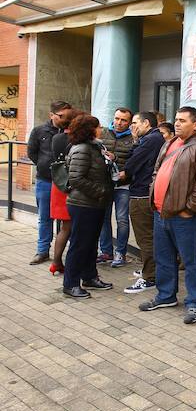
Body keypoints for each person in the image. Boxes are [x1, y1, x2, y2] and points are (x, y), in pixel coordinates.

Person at [139, 106, 196, 324]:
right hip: (161, 213)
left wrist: (188, 210)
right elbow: (156, 171)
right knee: (163, 258)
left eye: (183, 120)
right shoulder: (169, 143)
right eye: (176, 120)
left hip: (184, 218)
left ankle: (194, 302)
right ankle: (166, 296)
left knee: (190, 261)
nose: (177, 123)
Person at [62, 114, 114, 298]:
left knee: (91, 243)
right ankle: (70, 284)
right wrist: (100, 190)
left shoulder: (95, 146)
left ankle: (89, 277)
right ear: (89, 129)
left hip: (95, 203)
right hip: (83, 204)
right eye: (98, 126)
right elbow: (76, 179)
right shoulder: (82, 149)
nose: (101, 129)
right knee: (79, 244)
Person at [123, 111, 166, 294]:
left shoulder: (151, 140)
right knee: (149, 237)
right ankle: (151, 271)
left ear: (146, 123)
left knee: (145, 238)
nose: (132, 126)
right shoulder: (154, 139)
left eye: (135, 123)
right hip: (145, 192)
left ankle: (150, 277)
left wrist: (134, 141)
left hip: (142, 194)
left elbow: (131, 164)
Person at [28, 101, 74, 265]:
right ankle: (42, 251)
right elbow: (32, 152)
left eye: (67, 116)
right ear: (51, 115)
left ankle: (63, 252)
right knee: (45, 217)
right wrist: (45, 166)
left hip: (68, 184)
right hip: (45, 181)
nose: (65, 119)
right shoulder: (39, 130)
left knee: (67, 220)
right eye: (61, 116)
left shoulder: (73, 132)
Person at [97, 107, 135, 267]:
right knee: (103, 219)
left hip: (123, 185)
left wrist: (117, 159)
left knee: (122, 220)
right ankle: (106, 252)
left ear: (129, 122)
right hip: (104, 184)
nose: (119, 122)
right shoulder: (103, 133)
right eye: (117, 118)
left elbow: (136, 161)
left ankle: (121, 253)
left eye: (123, 120)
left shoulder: (134, 138)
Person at [48, 112, 75, 276]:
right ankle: (59, 262)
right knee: (70, 228)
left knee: (65, 228)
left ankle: (56, 262)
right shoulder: (76, 140)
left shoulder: (56, 138)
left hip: (58, 183)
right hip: (71, 186)